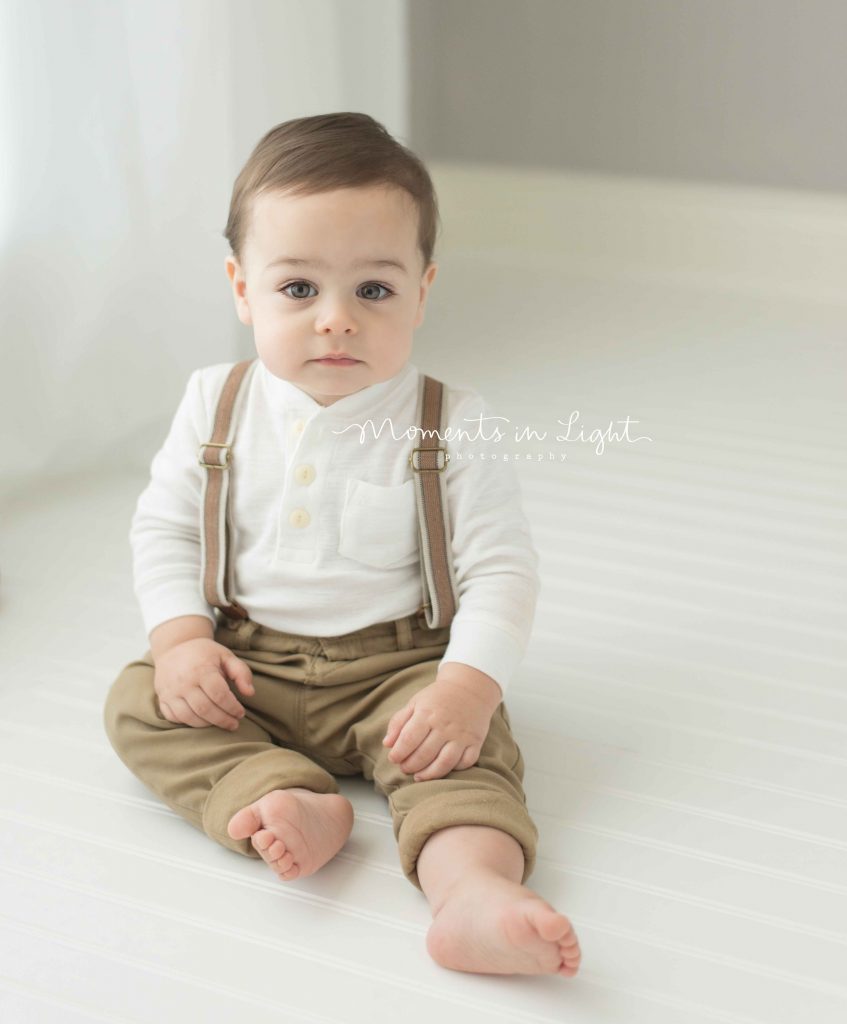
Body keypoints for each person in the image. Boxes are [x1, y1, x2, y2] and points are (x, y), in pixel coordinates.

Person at [103, 112, 581, 978]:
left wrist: (464, 692)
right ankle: (282, 796)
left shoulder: (449, 420)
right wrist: (181, 642)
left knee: (468, 762)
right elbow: (166, 526)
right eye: (297, 290)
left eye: (373, 290)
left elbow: (501, 570)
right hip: (250, 665)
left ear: (423, 291)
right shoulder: (215, 402)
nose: (336, 321)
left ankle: (470, 891)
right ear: (241, 288)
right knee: (140, 703)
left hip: (398, 674)